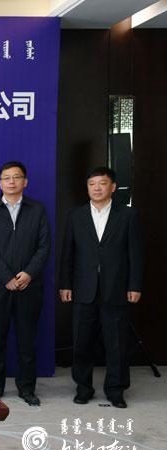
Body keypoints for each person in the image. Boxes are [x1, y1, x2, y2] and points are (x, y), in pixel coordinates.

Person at [59, 167, 143, 409]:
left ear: (113, 187)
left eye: (102, 183)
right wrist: (65, 284)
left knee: (116, 343)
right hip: (83, 288)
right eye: (92, 184)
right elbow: (68, 253)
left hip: (116, 288)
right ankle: (83, 388)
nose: (97, 188)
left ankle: (116, 390)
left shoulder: (128, 215)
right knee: (82, 342)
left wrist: (135, 285)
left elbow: (136, 254)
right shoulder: (76, 215)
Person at [0, 161, 50, 406]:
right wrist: (7, 278)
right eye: (6, 178)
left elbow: (44, 246)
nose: (11, 182)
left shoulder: (37, 210)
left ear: (25, 182)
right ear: (0, 183)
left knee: (27, 341)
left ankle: (27, 388)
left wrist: (29, 273)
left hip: (30, 286)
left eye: (16, 177)